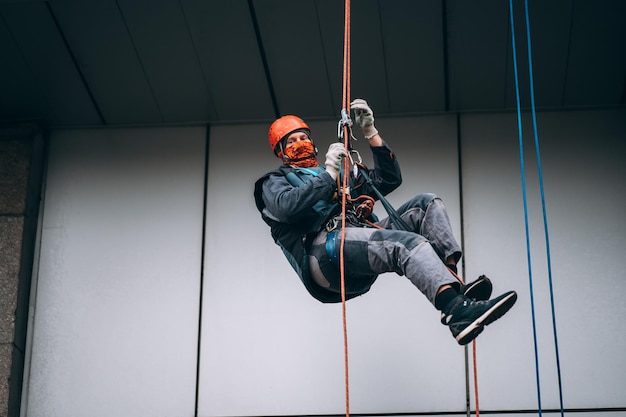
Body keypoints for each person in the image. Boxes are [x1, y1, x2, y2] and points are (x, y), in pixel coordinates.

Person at [253, 98, 517, 345]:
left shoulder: (338, 171)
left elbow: (388, 180)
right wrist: (330, 174)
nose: (300, 143)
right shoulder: (274, 183)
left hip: (355, 243)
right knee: (405, 244)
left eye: (304, 138)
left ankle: (454, 286)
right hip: (325, 255)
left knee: (427, 204)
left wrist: (370, 133)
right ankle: (456, 310)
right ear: (280, 152)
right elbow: (287, 207)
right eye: (291, 141)